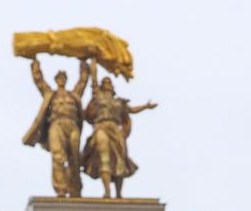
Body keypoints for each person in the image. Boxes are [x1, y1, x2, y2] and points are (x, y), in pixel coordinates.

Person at [81, 60, 157, 198]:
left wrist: (146, 106)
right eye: (105, 82)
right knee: (104, 156)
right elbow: (93, 78)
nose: (107, 83)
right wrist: (93, 59)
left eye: (109, 82)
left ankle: (118, 193)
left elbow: (132, 110)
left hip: (116, 130)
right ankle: (107, 191)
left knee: (119, 159)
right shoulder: (98, 97)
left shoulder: (119, 102)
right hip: (101, 127)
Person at [22, 58, 90, 198]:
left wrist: (83, 61)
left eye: (63, 78)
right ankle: (60, 189)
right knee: (58, 156)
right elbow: (39, 81)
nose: (61, 80)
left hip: (71, 124)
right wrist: (35, 64)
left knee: (75, 158)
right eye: (59, 78)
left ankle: (74, 188)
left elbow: (83, 81)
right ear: (56, 80)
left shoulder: (74, 94)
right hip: (56, 124)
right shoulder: (50, 94)